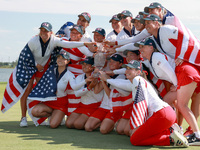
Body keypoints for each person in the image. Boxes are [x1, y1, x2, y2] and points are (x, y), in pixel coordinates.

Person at [18, 22, 96, 127]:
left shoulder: (70, 70)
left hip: (64, 95)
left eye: (76, 33)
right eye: (72, 32)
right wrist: (36, 65)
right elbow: (26, 55)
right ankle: (47, 115)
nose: (60, 60)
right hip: (51, 97)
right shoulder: (51, 69)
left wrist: (86, 80)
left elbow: (88, 54)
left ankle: (62, 114)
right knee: (34, 107)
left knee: (54, 124)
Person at [141, 14, 200, 145]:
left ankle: (196, 135)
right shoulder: (152, 58)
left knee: (181, 105)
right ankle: (176, 130)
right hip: (183, 73)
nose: (141, 49)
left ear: (157, 23)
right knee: (167, 101)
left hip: (185, 72)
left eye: (149, 22)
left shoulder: (157, 55)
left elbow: (184, 35)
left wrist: (182, 55)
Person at [124, 60, 188, 147]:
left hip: (161, 114)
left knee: (134, 139)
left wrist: (137, 126)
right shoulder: (140, 81)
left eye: (130, 69)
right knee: (135, 134)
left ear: (138, 72)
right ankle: (170, 132)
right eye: (127, 68)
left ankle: (170, 138)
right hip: (166, 113)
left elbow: (140, 103)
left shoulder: (137, 79)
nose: (127, 71)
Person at [85, 54, 128, 134]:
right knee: (88, 127)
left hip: (115, 108)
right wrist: (96, 77)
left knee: (103, 130)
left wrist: (104, 81)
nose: (111, 63)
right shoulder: (107, 74)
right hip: (103, 107)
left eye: (114, 62)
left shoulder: (121, 77)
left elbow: (110, 96)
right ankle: (105, 122)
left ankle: (114, 122)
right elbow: (96, 91)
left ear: (120, 64)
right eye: (110, 61)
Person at [30, 50, 73, 128]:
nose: (60, 60)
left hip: (61, 103)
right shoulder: (50, 71)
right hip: (49, 101)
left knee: (53, 125)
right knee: (34, 112)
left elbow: (75, 88)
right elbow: (42, 84)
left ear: (68, 61)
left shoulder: (70, 75)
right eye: (58, 57)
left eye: (63, 58)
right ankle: (53, 115)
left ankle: (60, 115)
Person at [134, 38, 177, 106]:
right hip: (179, 80)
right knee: (172, 103)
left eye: (143, 46)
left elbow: (170, 72)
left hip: (183, 77)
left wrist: (176, 85)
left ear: (151, 48)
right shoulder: (149, 60)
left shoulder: (156, 56)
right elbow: (136, 65)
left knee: (170, 102)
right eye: (139, 47)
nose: (140, 49)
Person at [66, 57, 103, 129]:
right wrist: (88, 88)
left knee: (78, 124)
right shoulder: (79, 77)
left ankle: (98, 121)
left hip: (94, 105)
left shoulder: (98, 78)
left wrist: (91, 85)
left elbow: (98, 96)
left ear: (93, 67)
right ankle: (89, 120)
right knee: (69, 124)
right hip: (82, 105)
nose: (84, 66)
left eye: (87, 64)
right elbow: (77, 94)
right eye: (83, 64)